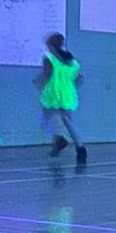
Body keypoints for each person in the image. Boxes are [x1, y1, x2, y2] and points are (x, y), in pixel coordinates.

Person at [38, 32, 87, 165]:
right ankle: (80, 147)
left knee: (45, 119)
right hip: (68, 93)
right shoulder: (71, 61)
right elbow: (77, 78)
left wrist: (39, 82)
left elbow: (46, 75)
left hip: (54, 92)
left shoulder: (49, 58)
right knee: (67, 121)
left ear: (51, 45)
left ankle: (60, 139)